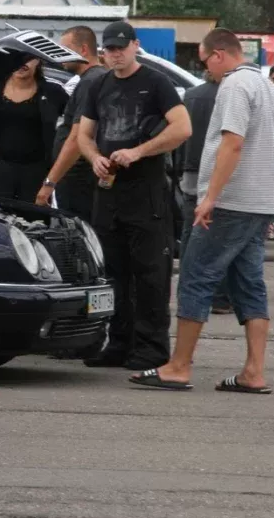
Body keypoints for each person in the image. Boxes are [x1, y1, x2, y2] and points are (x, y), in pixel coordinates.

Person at [129, 28, 274, 393]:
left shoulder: (233, 86)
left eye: (204, 61)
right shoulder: (269, 88)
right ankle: (253, 371)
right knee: (249, 284)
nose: (205, 71)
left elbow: (233, 143)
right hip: (259, 201)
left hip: (231, 202)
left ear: (218, 54)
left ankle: (179, 367)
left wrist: (210, 196)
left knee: (196, 276)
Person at [77, 20, 191, 369]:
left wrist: (139, 151)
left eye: (121, 48)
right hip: (109, 194)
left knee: (151, 274)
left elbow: (183, 128)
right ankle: (119, 341)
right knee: (112, 273)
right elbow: (83, 135)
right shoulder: (99, 85)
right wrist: (94, 157)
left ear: (135, 46)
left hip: (146, 193)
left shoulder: (156, 83)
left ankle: (152, 347)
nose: (115, 55)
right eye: (109, 49)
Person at [0, 55, 67, 202]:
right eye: (17, 57)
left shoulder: (52, 91)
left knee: (34, 220)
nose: (22, 64)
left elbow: (75, 119)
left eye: (28, 58)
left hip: (36, 170)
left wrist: (61, 142)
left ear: (38, 61)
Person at [177, 67, 233, 315]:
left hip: (191, 170)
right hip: (221, 171)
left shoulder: (191, 95)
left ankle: (185, 293)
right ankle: (220, 297)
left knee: (191, 233)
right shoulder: (231, 96)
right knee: (222, 236)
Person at [38, 26, 106, 217]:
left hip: (79, 179)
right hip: (79, 178)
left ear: (83, 50)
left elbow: (77, 137)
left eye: (65, 49)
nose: (60, 56)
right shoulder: (93, 78)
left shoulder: (90, 82)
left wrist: (50, 182)